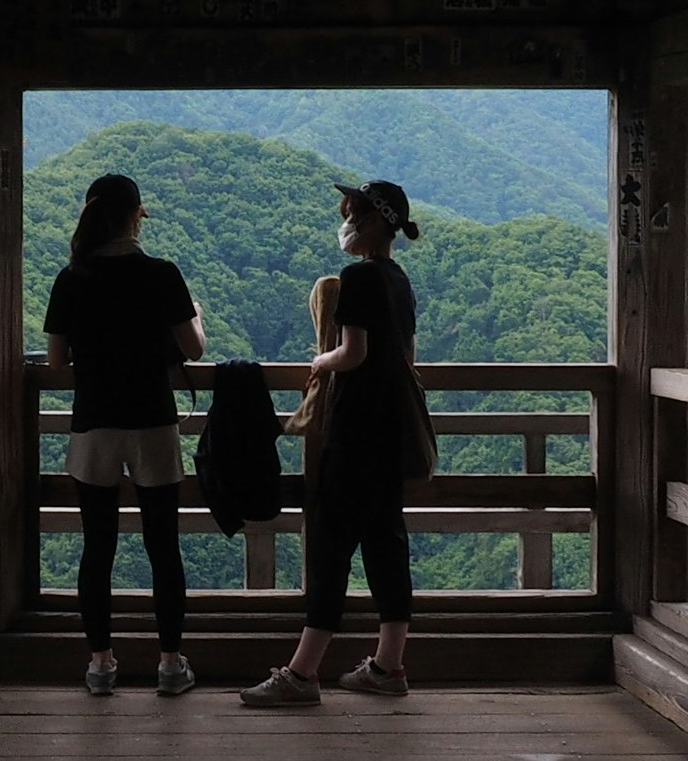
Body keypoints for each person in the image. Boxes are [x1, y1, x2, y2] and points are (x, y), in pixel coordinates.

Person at [242, 181, 424, 707]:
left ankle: (301, 675)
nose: (345, 221)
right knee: (387, 544)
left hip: (358, 430)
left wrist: (320, 361)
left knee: (331, 548)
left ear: (372, 222)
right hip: (393, 431)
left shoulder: (358, 277)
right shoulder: (398, 279)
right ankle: (389, 666)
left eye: (351, 213)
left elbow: (354, 352)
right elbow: (406, 356)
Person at [43, 172, 205, 697]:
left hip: (94, 423)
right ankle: (170, 665)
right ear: (138, 215)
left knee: (98, 548)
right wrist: (194, 315)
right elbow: (195, 348)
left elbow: (55, 359)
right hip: (153, 420)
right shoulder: (162, 274)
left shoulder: (72, 277)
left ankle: (100, 664)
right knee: (163, 547)